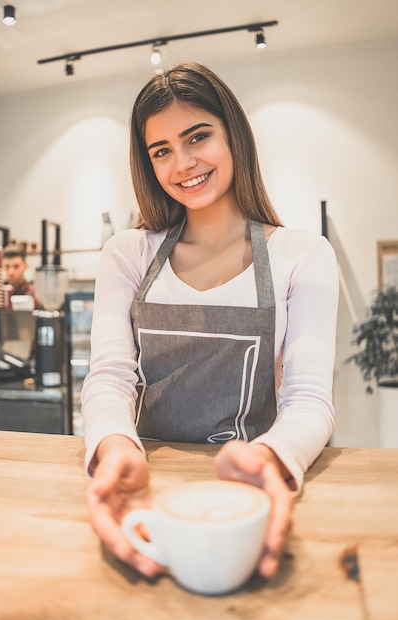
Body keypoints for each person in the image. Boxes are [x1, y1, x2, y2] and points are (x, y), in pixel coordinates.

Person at [82, 62, 339, 581]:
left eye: (197, 136)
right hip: (149, 490)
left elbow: (309, 399)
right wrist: (112, 445)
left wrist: (273, 459)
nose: (183, 163)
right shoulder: (127, 253)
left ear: (234, 135)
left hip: (246, 494)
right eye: (161, 150)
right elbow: (110, 378)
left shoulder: (302, 254)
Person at [2, 244, 43, 309]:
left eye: (16, 266)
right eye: (7, 266)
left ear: (25, 266)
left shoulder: (33, 295)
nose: (11, 272)